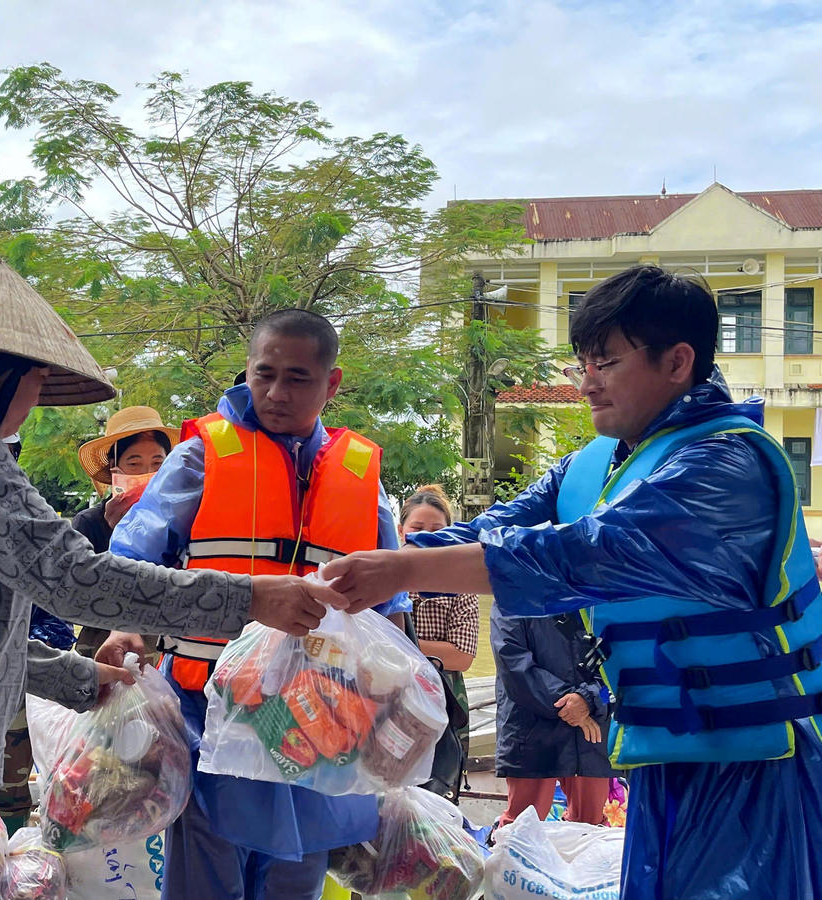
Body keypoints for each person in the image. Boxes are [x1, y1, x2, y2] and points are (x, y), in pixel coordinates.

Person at [0, 258, 349, 900]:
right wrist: (250, 597)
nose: (34, 399)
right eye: (37, 379)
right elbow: (71, 577)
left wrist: (78, 677)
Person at [325, 264, 822, 900]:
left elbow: (581, 554)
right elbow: (494, 528)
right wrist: (358, 565)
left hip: (758, 770)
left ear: (677, 362)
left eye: (605, 363)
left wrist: (400, 570)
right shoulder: (596, 465)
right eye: (581, 364)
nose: (585, 383)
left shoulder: (726, 466)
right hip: (667, 760)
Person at [98, 309, 414, 900]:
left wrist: (399, 698)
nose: (276, 392)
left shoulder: (360, 474)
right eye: (264, 374)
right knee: (207, 873)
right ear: (247, 370)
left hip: (320, 723)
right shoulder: (202, 456)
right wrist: (126, 627)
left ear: (332, 383)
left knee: (296, 879)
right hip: (213, 712)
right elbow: (136, 553)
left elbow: (390, 596)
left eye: (297, 378)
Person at [70, 405, 179, 657]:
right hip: (105, 649)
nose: (147, 473)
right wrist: (115, 535)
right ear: (114, 469)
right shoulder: (90, 522)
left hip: (167, 646)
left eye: (157, 463)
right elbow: (76, 594)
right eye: (134, 463)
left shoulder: (179, 518)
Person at [491, 605, 612, 828]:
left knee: (591, 824)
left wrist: (590, 699)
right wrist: (571, 704)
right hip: (531, 726)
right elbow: (512, 663)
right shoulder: (511, 597)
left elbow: (620, 662)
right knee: (523, 824)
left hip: (591, 725)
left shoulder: (601, 594)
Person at [398, 485, 478, 754]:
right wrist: (434, 649)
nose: (426, 537)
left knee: (443, 773)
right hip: (390, 698)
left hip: (445, 701)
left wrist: (402, 642)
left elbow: (462, 657)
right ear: (400, 531)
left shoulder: (462, 584)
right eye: (417, 528)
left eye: (437, 530)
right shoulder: (385, 581)